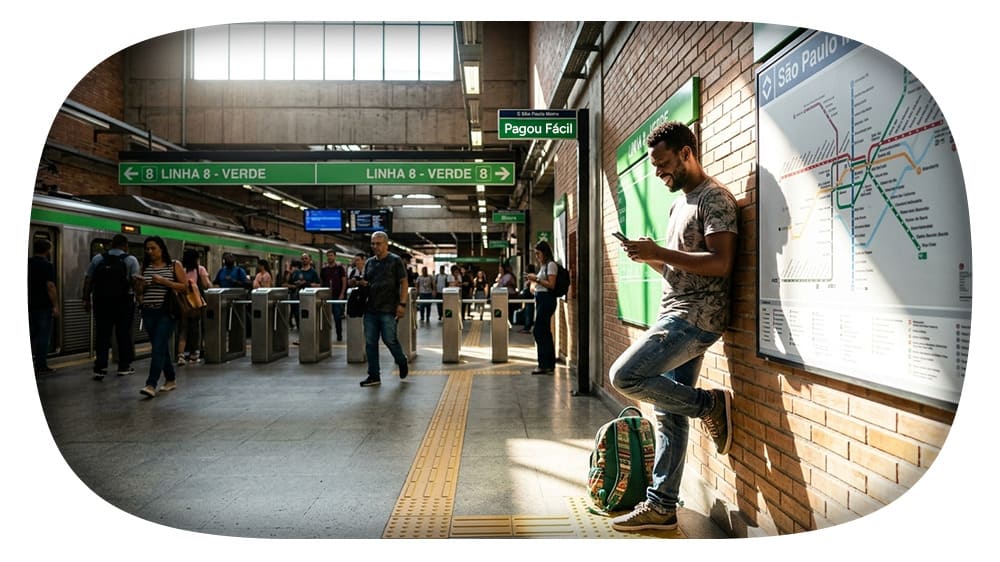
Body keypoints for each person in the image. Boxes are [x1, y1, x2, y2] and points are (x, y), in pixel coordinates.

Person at [606, 120, 737, 532]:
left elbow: (721, 263)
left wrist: (660, 251)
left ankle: (709, 405)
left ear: (686, 153)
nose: (659, 172)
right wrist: (651, 258)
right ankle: (662, 505)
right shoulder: (679, 204)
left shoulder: (714, 198)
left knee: (624, 376)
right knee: (668, 410)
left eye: (663, 164)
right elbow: (679, 270)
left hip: (697, 318)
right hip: (676, 311)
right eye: (655, 166)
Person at [82, 234, 141, 379]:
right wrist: (139, 297)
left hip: (101, 302)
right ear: (125, 245)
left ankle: (100, 368)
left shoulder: (98, 258)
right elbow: (136, 283)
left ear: (111, 245)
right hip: (124, 303)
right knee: (124, 334)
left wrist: (86, 299)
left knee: (102, 335)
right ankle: (123, 366)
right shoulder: (131, 260)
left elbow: (88, 279)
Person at [136, 236, 187, 398]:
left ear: (161, 249)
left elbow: (184, 286)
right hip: (148, 311)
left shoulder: (174, 265)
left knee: (157, 347)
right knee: (161, 347)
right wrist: (140, 286)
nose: (150, 252)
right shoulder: (145, 267)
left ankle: (151, 384)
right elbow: (139, 292)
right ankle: (170, 379)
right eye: (147, 249)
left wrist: (164, 281)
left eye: (153, 248)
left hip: (166, 311)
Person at [357, 231, 409, 387]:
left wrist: (402, 304)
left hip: (388, 309)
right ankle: (374, 375)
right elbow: (367, 281)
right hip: (370, 309)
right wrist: (360, 283)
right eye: (373, 244)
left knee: (389, 340)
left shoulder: (395, 261)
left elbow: (404, 282)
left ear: (386, 245)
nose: (375, 246)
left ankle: (401, 360)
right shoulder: (369, 262)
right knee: (370, 343)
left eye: (378, 244)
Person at [526, 241, 558, 375]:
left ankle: (543, 364)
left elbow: (551, 284)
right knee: (544, 331)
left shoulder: (551, 265)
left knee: (539, 331)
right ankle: (548, 364)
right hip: (541, 299)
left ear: (545, 252)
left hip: (546, 300)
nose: (537, 257)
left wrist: (536, 280)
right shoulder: (544, 266)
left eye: (538, 253)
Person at [28, 238, 59, 375]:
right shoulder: (47, 266)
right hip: (42, 306)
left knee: (31, 335)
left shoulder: (27, 263)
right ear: (47, 251)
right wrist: (55, 306)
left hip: (29, 305)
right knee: (43, 336)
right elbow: (50, 286)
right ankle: (41, 365)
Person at [176, 248, 211, 365]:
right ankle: (193, 354)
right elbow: (206, 285)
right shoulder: (200, 269)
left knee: (183, 329)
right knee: (195, 328)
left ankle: (180, 355)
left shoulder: (181, 270)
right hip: (195, 303)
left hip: (183, 302)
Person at [287, 253, 320, 332]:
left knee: (308, 315)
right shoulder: (297, 272)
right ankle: (300, 330)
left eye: (306, 258)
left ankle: (308, 331)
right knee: (298, 314)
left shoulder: (313, 272)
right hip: (298, 297)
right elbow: (288, 283)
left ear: (310, 260)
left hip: (309, 297)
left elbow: (318, 284)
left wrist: (307, 283)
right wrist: (296, 284)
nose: (304, 260)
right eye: (302, 259)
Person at [321, 249, 348, 341]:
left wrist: (342, 294)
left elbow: (344, 281)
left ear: (335, 256)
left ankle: (339, 335)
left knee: (337, 317)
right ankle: (325, 336)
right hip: (326, 296)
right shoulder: (324, 269)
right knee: (325, 317)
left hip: (337, 296)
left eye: (331, 255)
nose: (329, 257)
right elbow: (322, 282)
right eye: (328, 256)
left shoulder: (340, 268)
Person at [518, 263, 536, 334]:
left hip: (530, 299)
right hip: (527, 299)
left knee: (529, 313)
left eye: (526, 269)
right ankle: (526, 327)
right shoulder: (528, 277)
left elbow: (532, 288)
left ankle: (527, 328)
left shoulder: (532, 277)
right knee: (527, 313)